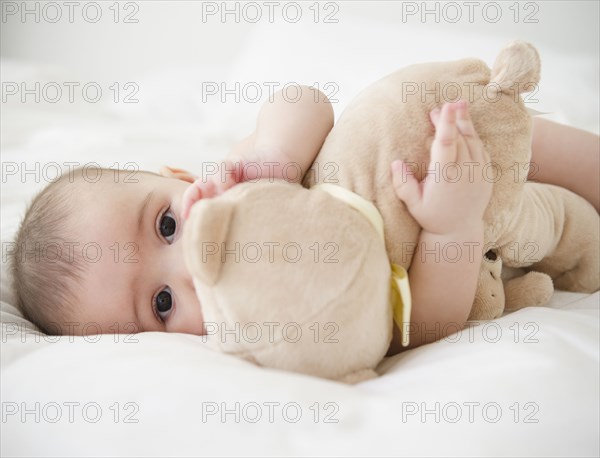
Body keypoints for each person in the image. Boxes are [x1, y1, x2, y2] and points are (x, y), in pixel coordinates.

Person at [9, 85, 599, 355]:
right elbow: (424, 327)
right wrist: (451, 224)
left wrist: (274, 154)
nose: (188, 261)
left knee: (534, 143)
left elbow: (307, 101)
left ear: (183, 179)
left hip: (430, 147)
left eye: (166, 225)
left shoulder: (248, 174)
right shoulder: (292, 324)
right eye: (162, 304)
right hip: (469, 226)